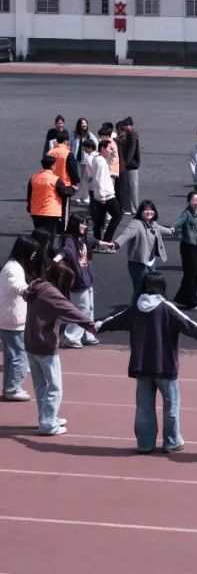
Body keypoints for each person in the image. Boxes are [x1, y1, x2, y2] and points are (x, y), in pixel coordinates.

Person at [95, 272, 197, 453]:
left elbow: (114, 321)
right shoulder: (166, 308)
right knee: (171, 405)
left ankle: (145, 443)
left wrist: (98, 327)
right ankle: (171, 441)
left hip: (141, 365)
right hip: (164, 365)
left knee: (143, 407)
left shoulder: (135, 308)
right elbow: (189, 325)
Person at [24, 262, 96, 436]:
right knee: (54, 387)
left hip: (31, 342)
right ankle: (48, 424)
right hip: (45, 345)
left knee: (41, 385)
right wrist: (90, 324)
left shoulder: (37, 286)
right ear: (61, 277)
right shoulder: (51, 293)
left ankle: (46, 417)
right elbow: (70, 310)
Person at [57, 214, 113, 347]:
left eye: (86, 223)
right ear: (74, 224)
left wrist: (110, 245)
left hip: (86, 279)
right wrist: (55, 260)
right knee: (81, 310)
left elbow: (96, 242)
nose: (84, 226)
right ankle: (70, 337)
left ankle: (88, 334)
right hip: (77, 281)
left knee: (90, 309)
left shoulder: (85, 238)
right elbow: (65, 251)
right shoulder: (69, 239)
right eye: (81, 223)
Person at [0, 236, 41, 402]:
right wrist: (32, 290)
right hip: (11, 319)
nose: (34, 255)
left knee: (12, 356)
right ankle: (12, 388)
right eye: (33, 251)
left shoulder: (14, 266)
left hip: (10, 317)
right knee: (19, 355)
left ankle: (10, 387)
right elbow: (18, 286)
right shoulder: (13, 269)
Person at [112, 200, 175, 303]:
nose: (149, 212)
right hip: (138, 263)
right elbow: (125, 235)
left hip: (151, 262)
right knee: (140, 289)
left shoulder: (153, 224)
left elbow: (163, 230)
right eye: (145, 210)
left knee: (152, 287)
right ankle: (134, 308)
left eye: (151, 209)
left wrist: (172, 231)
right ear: (140, 212)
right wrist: (116, 244)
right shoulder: (136, 224)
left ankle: (147, 308)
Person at [27, 155, 75, 237]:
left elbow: (29, 195)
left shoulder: (33, 178)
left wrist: (29, 207)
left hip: (36, 211)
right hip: (50, 212)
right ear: (53, 165)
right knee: (49, 235)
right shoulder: (55, 179)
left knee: (38, 234)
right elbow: (65, 192)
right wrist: (72, 189)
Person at [85, 140, 122, 244]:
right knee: (117, 216)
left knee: (99, 220)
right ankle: (106, 240)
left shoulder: (98, 159)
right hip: (106, 195)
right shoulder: (101, 162)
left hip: (100, 195)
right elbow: (100, 179)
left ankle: (97, 242)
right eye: (109, 148)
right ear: (102, 148)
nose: (110, 151)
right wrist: (102, 196)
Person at [69, 118, 97, 205]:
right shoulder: (73, 134)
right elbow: (69, 145)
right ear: (79, 125)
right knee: (76, 178)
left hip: (85, 160)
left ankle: (85, 196)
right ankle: (77, 196)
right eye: (82, 123)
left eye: (85, 123)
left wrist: (92, 156)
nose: (84, 125)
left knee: (85, 178)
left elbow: (96, 144)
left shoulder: (89, 135)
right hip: (75, 159)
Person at [117, 118, 141, 215]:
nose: (125, 127)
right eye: (124, 125)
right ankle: (129, 208)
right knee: (128, 187)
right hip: (129, 165)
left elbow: (130, 153)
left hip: (131, 166)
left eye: (127, 125)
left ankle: (133, 209)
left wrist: (125, 164)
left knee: (132, 187)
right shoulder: (129, 135)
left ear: (131, 125)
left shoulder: (132, 136)